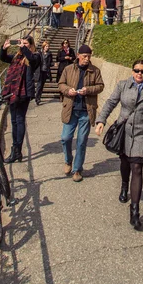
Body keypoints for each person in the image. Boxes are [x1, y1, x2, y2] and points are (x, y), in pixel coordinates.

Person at [96, 59, 143, 231]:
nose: (139, 74)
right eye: (136, 70)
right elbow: (111, 102)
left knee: (137, 167)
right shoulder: (123, 85)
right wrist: (101, 120)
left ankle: (134, 212)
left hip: (142, 132)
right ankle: (124, 185)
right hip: (124, 131)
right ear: (132, 71)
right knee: (124, 162)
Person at [59, 44, 104, 182]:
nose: (86, 59)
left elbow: (100, 86)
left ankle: (77, 170)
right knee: (65, 138)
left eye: (89, 57)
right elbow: (61, 84)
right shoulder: (68, 69)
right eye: (84, 56)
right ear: (78, 55)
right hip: (71, 109)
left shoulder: (94, 71)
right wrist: (68, 91)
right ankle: (68, 161)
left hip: (86, 110)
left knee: (81, 141)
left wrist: (88, 90)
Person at [0, 36, 40, 162]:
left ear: (31, 45)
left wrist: (24, 48)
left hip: (23, 92)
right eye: (22, 43)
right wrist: (3, 49)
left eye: (26, 43)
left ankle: (17, 150)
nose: (23, 45)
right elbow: (4, 58)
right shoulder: (17, 57)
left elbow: (33, 60)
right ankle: (15, 149)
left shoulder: (35, 56)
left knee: (19, 119)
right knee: (14, 121)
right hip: (12, 92)